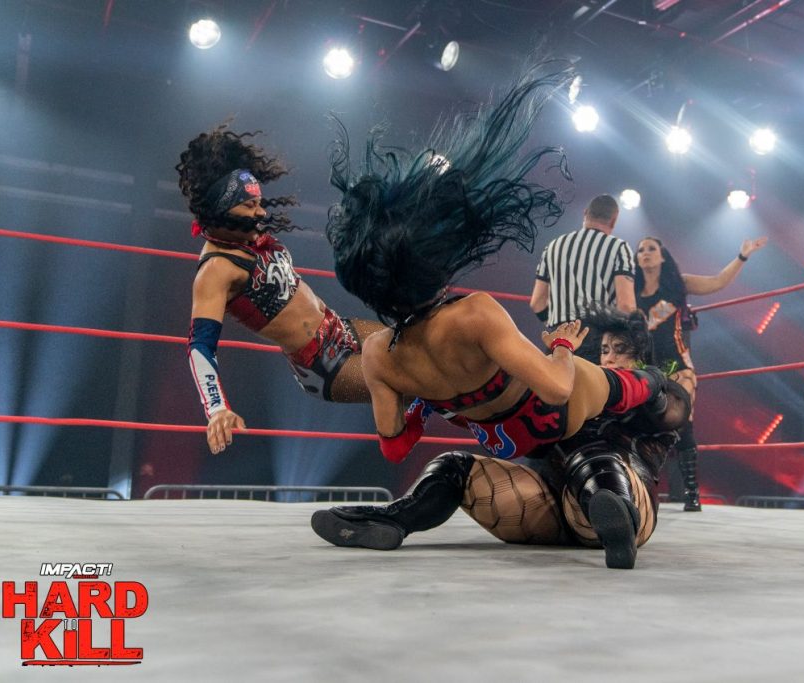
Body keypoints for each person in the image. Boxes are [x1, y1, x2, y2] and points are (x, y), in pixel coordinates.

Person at [324, 64, 689, 467]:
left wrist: (426, 402)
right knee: (633, 386)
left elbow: (394, 449)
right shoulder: (474, 313)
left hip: (506, 443)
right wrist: (563, 344)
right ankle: (653, 397)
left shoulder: (377, 353)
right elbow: (556, 388)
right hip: (555, 404)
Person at [310, 304, 674, 570]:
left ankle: (617, 524)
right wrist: (429, 398)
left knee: (589, 453)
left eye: (620, 351)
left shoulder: (642, 395)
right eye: (606, 349)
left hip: (625, 505)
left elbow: (670, 406)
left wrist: (654, 385)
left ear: (642, 357)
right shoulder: (577, 385)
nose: (610, 358)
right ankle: (393, 520)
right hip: (546, 507)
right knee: (453, 466)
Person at [178, 124, 384, 454]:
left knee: (420, 346)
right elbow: (200, 345)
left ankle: (442, 416)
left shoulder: (249, 237)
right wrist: (216, 409)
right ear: (221, 210)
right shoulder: (216, 270)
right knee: (414, 378)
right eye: (249, 206)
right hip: (322, 365)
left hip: (340, 328)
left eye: (259, 203)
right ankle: (400, 431)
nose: (260, 212)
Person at [634, 235, 767, 510]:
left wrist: (742, 256)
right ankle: (640, 489)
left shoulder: (678, 284)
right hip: (644, 367)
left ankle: (692, 492)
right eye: (641, 250)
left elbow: (717, 282)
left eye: (651, 249)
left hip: (677, 365)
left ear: (662, 256)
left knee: (683, 424)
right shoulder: (630, 293)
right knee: (640, 427)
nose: (645, 253)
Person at [529, 194, 637, 363]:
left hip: (559, 335)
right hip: (597, 337)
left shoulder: (554, 246)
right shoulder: (618, 247)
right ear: (614, 220)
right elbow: (626, 305)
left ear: (585, 213)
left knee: (556, 379)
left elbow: (537, 302)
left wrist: (559, 325)